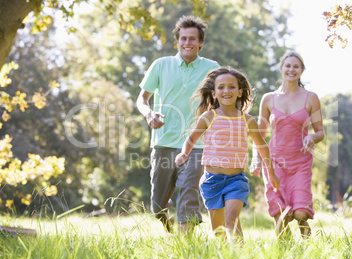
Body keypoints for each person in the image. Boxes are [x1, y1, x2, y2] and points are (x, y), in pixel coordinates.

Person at [175, 66, 280, 243]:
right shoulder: (209, 117)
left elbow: (262, 146)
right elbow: (191, 138)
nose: (226, 91)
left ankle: (240, 257)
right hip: (211, 181)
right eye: (221, 87)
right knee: (219, 231)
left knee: (231, 221)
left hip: (236, 181)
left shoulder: (247, 120)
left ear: (240, 92)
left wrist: (271, 172)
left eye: (232, 87)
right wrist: (184, 154)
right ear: (214, 93)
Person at [136, 15, 219, 233]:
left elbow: (221, 101)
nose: (187, 43)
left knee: (188, 193)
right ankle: (168, 223)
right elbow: (142, 99)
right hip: (163, 142)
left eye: (192, 39)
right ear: (177, 41)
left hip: (196, 144)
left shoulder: (213, 68)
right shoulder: (161, 65)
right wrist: (148, 114)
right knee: (157, 206)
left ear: (200, 43)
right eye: (183, 38)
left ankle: (186, 247)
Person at [250, 51, 324, 239]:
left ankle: (310, 251)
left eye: (296, 66)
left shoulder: (311, 97)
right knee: (280, 213)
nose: (291, 69)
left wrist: (312, 138)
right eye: (288, 66)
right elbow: (258, 134)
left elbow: (320, 132)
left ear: (301, 71)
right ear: (281, 68)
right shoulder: (269, 98)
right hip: (275, 161)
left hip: (300, 163)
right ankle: (284, 254)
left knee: (300, 213)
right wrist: (255, 159)